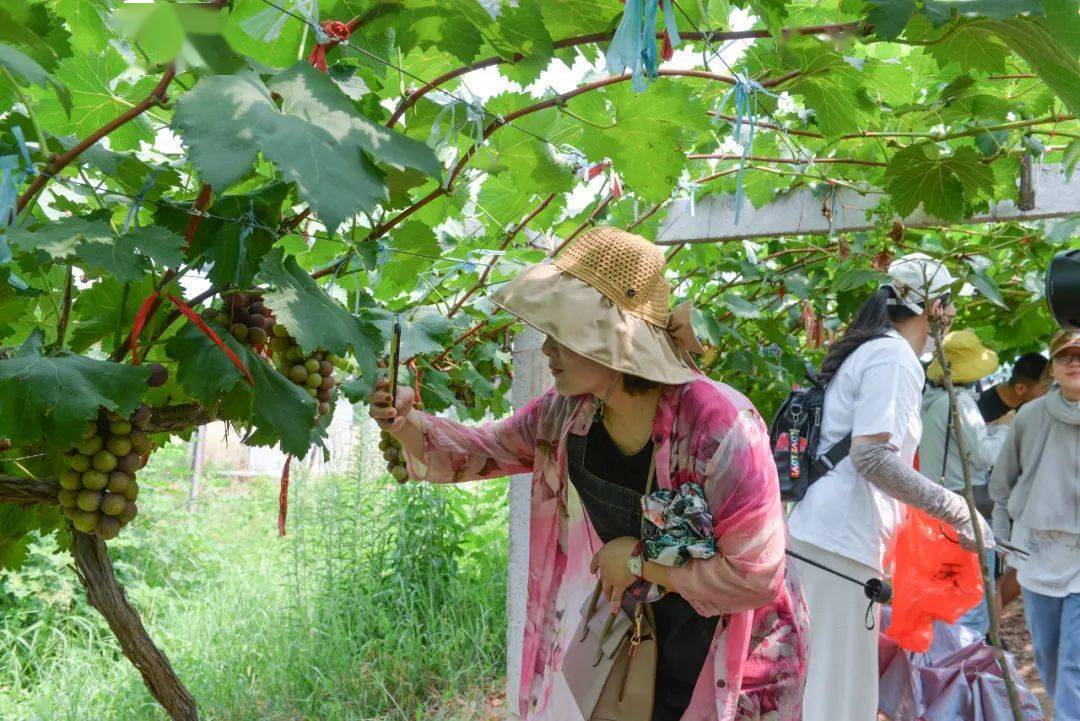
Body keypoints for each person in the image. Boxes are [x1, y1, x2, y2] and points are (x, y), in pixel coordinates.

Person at [368, 227, 809, 721]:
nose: (548, 348)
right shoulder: (567, 414)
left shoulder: (720, 427)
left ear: (616, 339)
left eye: (564, 331)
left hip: (732, 650)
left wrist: (641, 564)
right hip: (640, 636)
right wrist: (405, 424)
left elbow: (758, 578)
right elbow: (484, 449)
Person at [786, 253, 993, 721]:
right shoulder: (894, 355)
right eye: (949, 304)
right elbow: (872, 456)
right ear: (933, 308)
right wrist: (958, 511)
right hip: (838, 544)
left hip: (825, 539)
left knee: (820, 685)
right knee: (836, 697)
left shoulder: (873, 348)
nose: (952, 315)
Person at [989, 329, 1080, 721]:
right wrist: (1004, 544)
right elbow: (1002, 484)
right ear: (1053, 366)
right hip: (1038, 554)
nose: (1074, 363)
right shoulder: (1030, 416)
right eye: (1065, 357)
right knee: (1048, 652)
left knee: (1076, 663)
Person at [920, 329, 1004, 635]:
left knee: (947, 598)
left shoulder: (930, 402)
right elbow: (981, 457)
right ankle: (967, 673)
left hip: (935, 508)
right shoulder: (960, 402)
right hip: (964, 510)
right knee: (971, 604)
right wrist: (1005, 431)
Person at [977, 353, 1050, 424]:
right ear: (1020, 389)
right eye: (1046, 386)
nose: (1049, 391)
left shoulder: (1029, 397)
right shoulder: (981, 413)